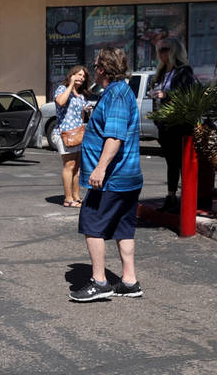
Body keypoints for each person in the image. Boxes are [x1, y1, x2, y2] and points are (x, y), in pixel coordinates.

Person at [71, 46, 144, 302]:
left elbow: (115, 137)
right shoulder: (117, 92)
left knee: (92, 225)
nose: (93, 68)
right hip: (126, 178)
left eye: (95, 64)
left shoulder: (117, 95)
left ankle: (100, 282)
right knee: (123, 228)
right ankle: (129, 281)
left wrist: (100, 168)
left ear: (102, 68)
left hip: (112, 178)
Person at [150, 37, 198, 213]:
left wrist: (166, 95)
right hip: (165, 125)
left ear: (175, 51)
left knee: (181, 162)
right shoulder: (162, 72)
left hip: (180, 124)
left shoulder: (183, 71)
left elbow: (187, 96)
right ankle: (171, 196)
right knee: (171, 162)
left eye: (166, 50)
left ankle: (186, 198)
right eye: (160, 50)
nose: (162, 54)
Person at [54, 65, 92, 208]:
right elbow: (61, 102)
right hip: (64, 133)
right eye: (79, 75)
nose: (81, 78)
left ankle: (76, 197)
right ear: (71, 75)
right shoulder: (62, 89)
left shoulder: (81, 95)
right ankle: (68, 199)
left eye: (83, 76)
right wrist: (70, 84)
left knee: (77, 167)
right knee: (69, 165)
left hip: (78, 134)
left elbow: (82, 115)